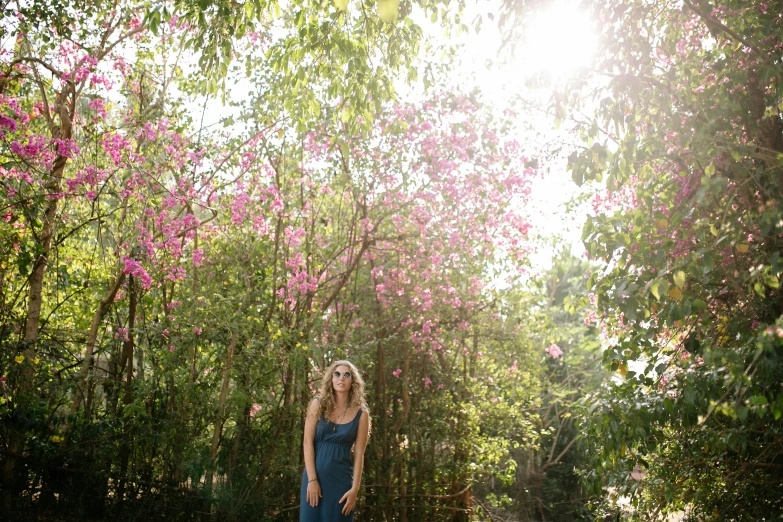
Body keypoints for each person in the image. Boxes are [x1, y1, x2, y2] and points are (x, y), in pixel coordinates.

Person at [300, 360, 371, 521]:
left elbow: (360, 454)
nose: (341, 378)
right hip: (313, 479)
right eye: (337, 374)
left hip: (341, 483)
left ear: (353, 381)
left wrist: (355, 490)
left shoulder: (362, 414)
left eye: (347, 375)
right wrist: (312, 480)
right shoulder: (317, 404)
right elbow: (307, 442)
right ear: (331, 378)